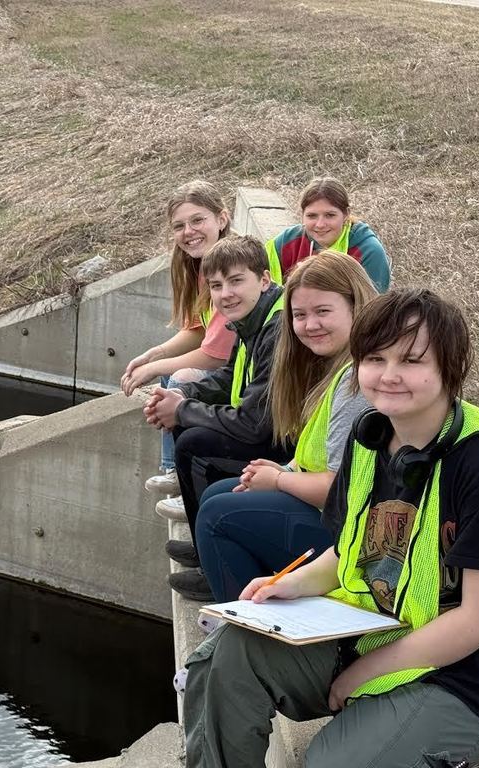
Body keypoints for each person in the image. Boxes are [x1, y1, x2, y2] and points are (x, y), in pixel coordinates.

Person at [183, 288, 479, 768]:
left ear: (451, 367)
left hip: (465, 677)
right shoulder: (371, 437)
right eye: (375, 358)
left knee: (331, 762)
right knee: (225, 656)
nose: (389, 375)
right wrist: (287, 585)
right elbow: (349, 552)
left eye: (412, 360)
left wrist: (361, 674)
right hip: (375, 632)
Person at [174, 252, 378, 602]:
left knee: (216, 515)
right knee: (218, 493)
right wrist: (281, 470)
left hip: (353, 537)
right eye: (300, 315)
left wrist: (280, 480)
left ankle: (247, 627)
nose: (310, 324)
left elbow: (339, 490)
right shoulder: (331, 366)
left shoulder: (355, 383)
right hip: (330, 512)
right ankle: (254, 592)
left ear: (356, 306)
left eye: (323, 312)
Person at [144, 235, 290, 594]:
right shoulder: (252, 316)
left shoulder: (277, 326)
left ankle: (215, 571)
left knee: (196, 445)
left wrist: (182, 409)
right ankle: (204, 547)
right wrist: (184, 393)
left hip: (286, 446)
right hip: (265, 426)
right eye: (216, 286)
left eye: (237, 281)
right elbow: (231, 376)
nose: (226, 294)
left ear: (265, 279)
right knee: (188, 428)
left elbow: (256, 425)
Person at [120, 181, 237, 508]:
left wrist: (154, 367)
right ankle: (173, 470)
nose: (189, 231)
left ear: (222, 219)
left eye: (198, 220)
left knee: (180, 379)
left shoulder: (231, 265)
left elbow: (215, 355)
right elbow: (200, 329)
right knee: (169, 375)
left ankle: (179, 475)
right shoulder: (198, 265)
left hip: (250, 376)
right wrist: (154, 354)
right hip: (228, 364)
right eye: (179, 226)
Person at [266, 176, 391, 292]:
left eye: (330, 215)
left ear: (346, 214)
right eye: (311, 216)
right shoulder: (284, 243)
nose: (320, 224)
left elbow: (372, 311)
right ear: (302, 215)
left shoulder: (369, 252)